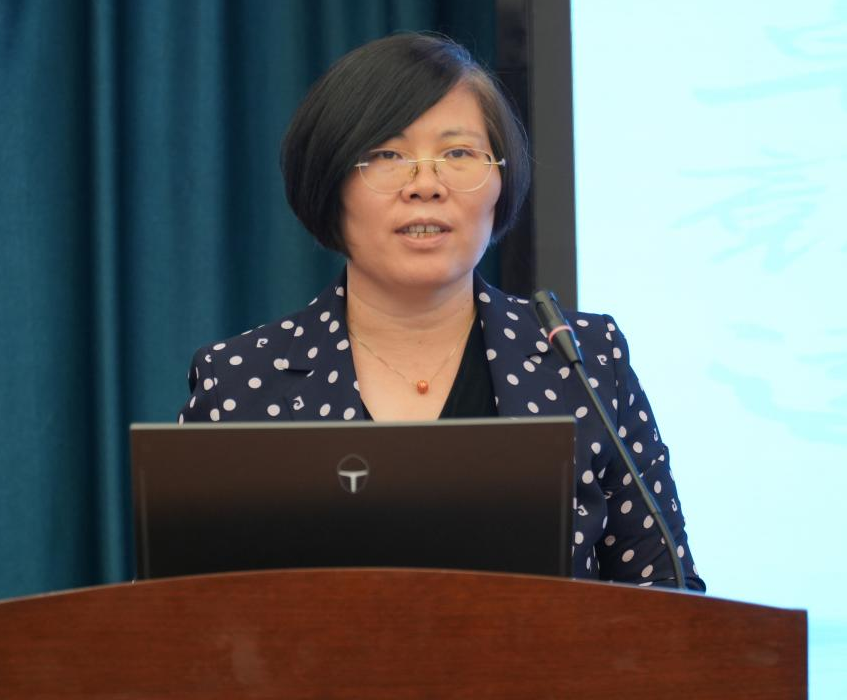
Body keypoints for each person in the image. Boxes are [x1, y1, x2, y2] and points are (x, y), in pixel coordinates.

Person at [179, 32, 704, 590]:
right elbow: (180, 616)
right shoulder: (240, 381)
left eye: (458, 154)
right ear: (330, 183)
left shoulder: (585, 362)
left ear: (501, 181)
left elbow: (668, 598)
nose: (425, 185)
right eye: (387, 155)